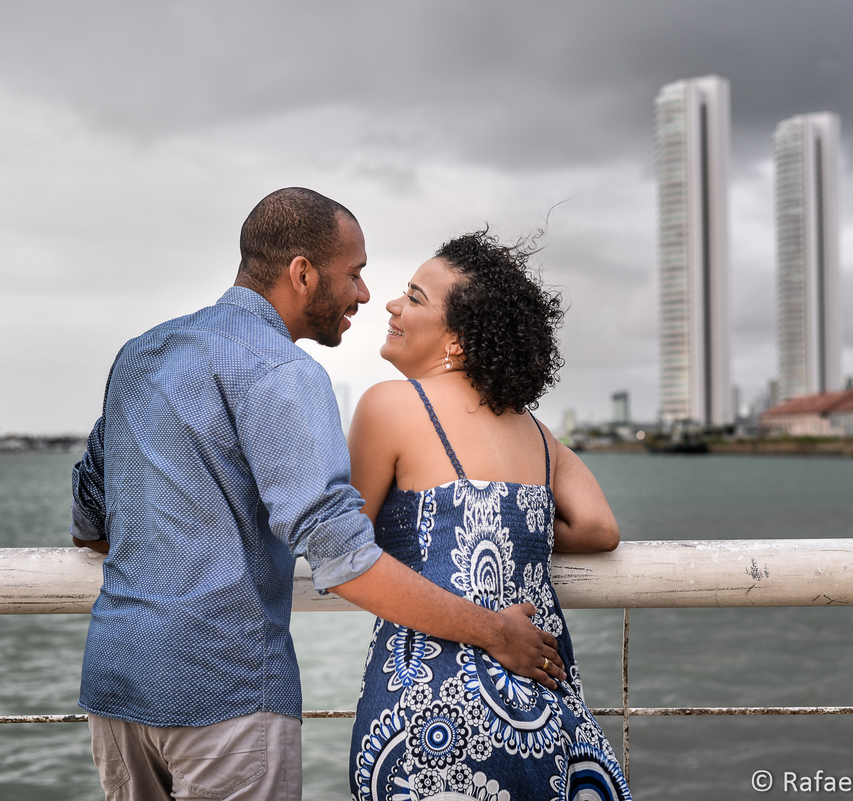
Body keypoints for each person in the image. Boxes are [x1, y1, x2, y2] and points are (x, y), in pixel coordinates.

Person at [69, 189, 564, 801]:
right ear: (302, 273)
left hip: (116, 683)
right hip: (224, 690)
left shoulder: (141, 353)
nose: (363, 292)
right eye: (353, 273)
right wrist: (496, 633)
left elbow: (90, 519)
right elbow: (345, 561)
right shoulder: (285, 371)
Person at [348, 231, 633, 800]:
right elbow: (599, 529)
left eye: (415, 297)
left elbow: (346, 537)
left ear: (457, 337)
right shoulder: (534, 431)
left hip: (427, 719)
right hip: (540, 716)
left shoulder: (390, 404)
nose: (392, 305)